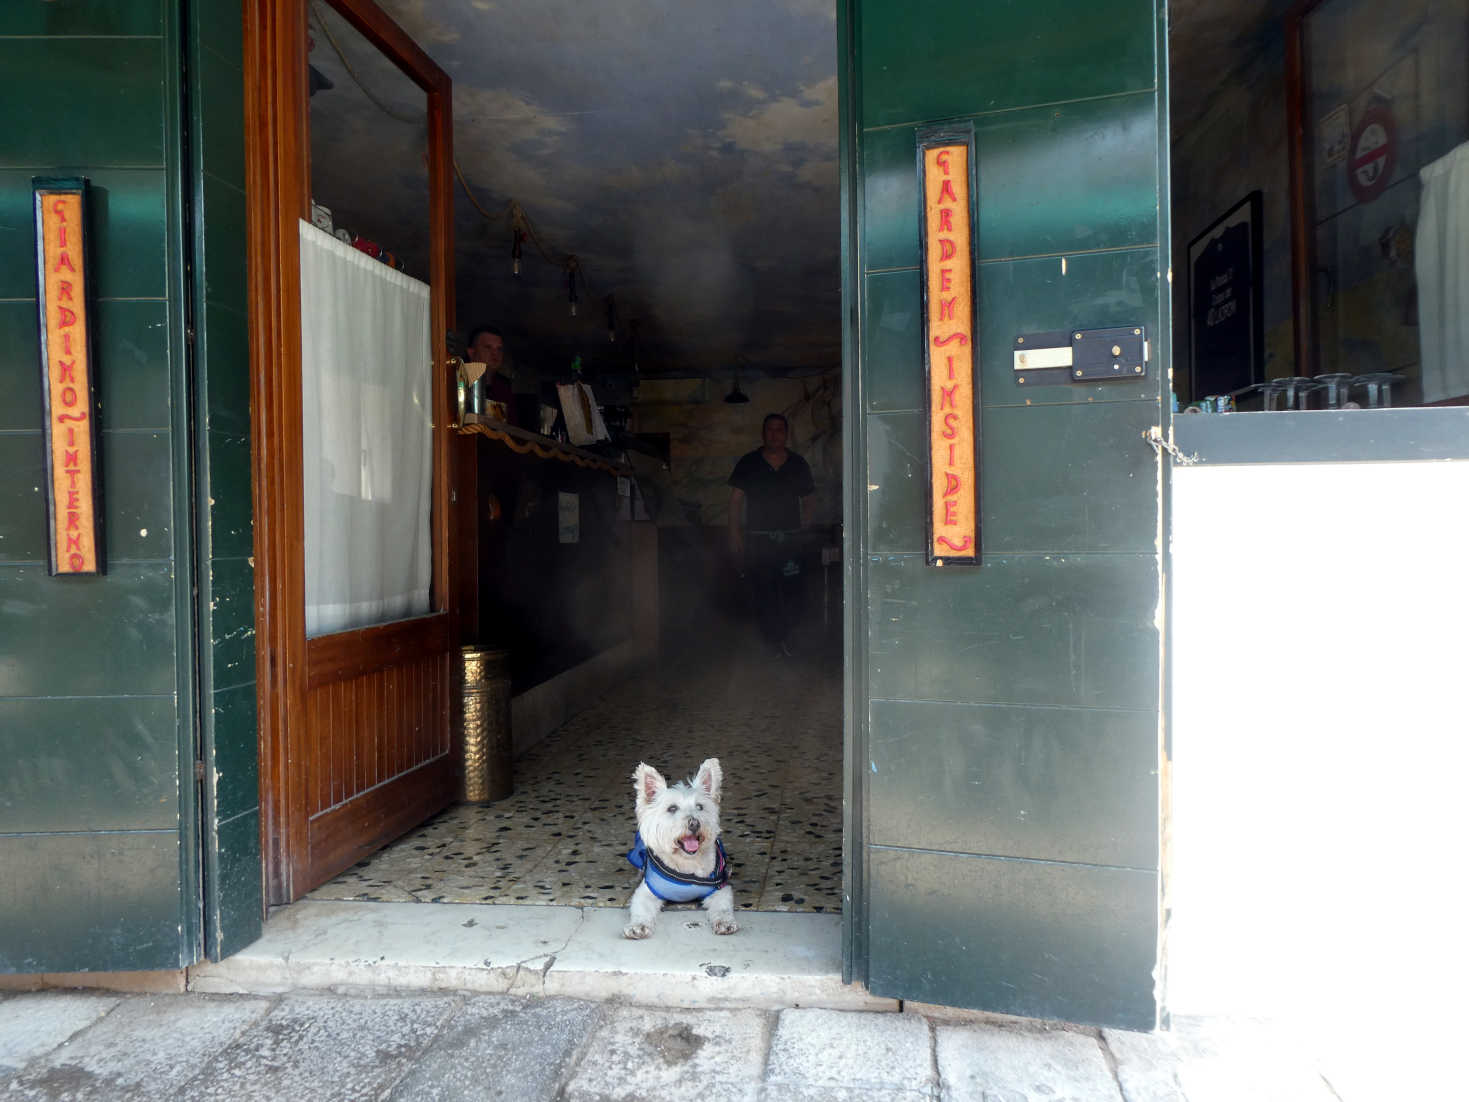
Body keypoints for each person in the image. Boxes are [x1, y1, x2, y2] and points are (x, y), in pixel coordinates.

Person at [728, 412, 816, 656]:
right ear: (763, 433)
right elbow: (735, 501)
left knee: (793, 591)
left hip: (790, 541)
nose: (775, 434)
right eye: (770, 429)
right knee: (764, 591)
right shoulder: (749, 462)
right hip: (759, 540)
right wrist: (734, 534)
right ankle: (773, 642)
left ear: (786, 435)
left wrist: (806, 525)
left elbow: (809, 498)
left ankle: (786, 637)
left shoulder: (798, 464)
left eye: (780, 430)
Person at [466, 324, 515, 424]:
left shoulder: (503, 388)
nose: (495, 354)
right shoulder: (459, 382)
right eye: (488, 347)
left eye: (499, 349)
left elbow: (512, 427)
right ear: (471, 353)